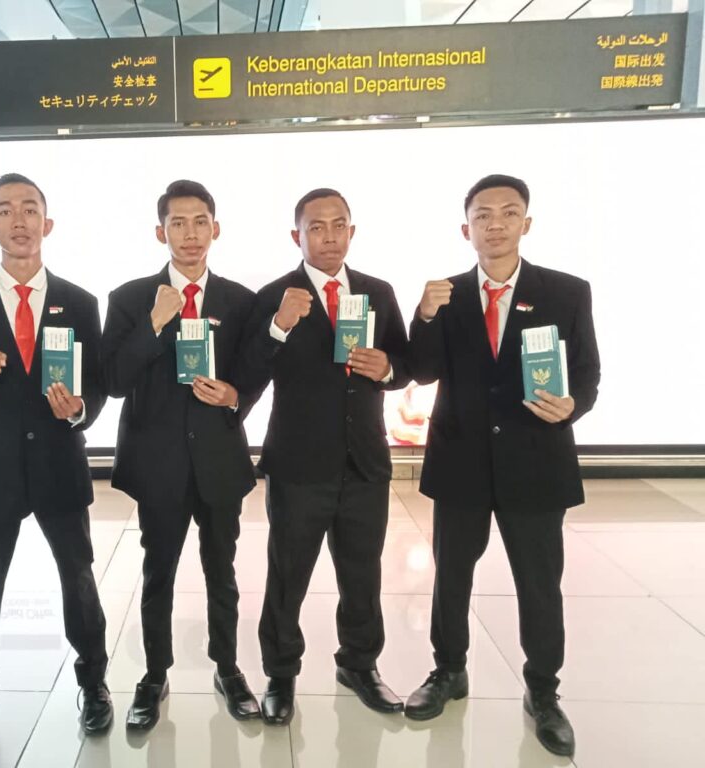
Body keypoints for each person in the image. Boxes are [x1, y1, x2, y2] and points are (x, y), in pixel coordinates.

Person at [404, 174, 600, 759]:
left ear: (526, 223)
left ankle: (543, 691)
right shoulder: (445, 296)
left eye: (508, 213)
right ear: (465, 228)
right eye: (483, 215)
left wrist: (574, 404)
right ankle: (448, 670)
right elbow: (421, 370)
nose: (495, 224)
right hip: (461, 460)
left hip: (535, 462)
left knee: (539, 583)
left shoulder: (566, 292)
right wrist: (423, 316)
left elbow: (586, 371)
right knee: (451, 578)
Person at [0, 173, 112, 750]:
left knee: (79, 577)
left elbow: (98, 385)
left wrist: (80, 408)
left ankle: (94, 683)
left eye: (29, 209)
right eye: (6, 210)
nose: (19, 220)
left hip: (59, 464)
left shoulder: (80, 302)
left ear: (47, 223)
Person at [238, 188, 409, 725]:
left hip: (365, 463)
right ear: (297, 236)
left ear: (351, 232)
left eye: (339, 226)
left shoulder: (378, 293)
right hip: (299, 464)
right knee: (287, 576)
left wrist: (386, 369)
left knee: (363, 573)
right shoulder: (273, 296)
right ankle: (280, 674)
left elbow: (403, 364)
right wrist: (278, 326)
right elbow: (248, 372)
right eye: (316, 227)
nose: (329, 236)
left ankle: (359, 664)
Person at [101, 180, 261, 731]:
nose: (190, 234)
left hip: (219, 459)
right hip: (158, 464)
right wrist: (154, 321)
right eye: (177, 223)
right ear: (160, 232)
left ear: (215, 229)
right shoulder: (129, 298)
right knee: (158, 573)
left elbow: (252, 374)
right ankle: (154, 675)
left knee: (223, 571)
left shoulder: (240, 300)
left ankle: (228, 668)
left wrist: (235, 395)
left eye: (200, 222)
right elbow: (114, 380)